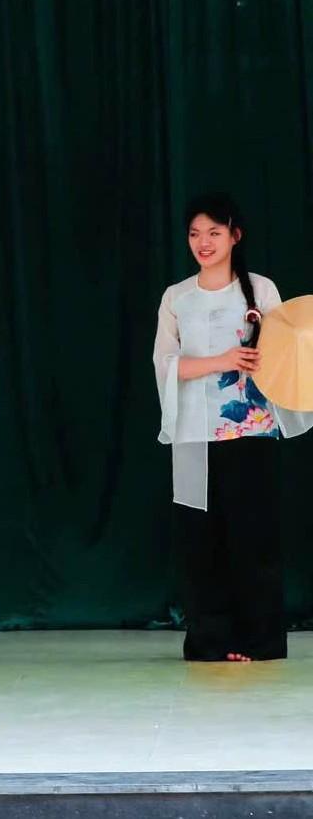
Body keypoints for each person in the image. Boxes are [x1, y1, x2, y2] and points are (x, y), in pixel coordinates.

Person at [153, 192, 312, 662]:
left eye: (214, 233)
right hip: (193, 434)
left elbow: (290, 349)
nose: (203, 243)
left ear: (234, 236)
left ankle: (258, 641)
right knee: (202, 542)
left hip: (251, 430)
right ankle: (212, 641)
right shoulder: (176, 297)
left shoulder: (260, 291)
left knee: (253, 538)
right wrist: (220, 360)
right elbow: (164, 366)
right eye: (195, 234)